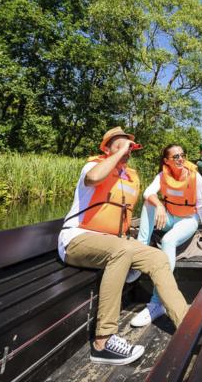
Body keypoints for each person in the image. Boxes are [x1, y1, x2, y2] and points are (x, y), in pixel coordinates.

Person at [58, 127, 189, 366]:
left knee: (157, 258)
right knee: (123, 250)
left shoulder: (129, 177)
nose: (127, 150)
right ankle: (103, 342)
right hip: (76, 239)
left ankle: (188, 324)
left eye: (129, 146)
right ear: (107, 149)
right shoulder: (93, 166)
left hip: (114, 243)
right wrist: (117, 154)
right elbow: (95, 178)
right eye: (119, 145)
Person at [131, 144, 202, 327]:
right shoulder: (162, 175)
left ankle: (157, 303)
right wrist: (160, 205)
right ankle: (139, 257)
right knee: (149, 203)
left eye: (183, 155)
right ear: (166, 161)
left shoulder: (195, 176)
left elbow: (201, 203)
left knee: (168, 240)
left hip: (188, 220)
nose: (181, 159)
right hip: (170, 217)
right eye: (176, 157)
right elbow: (148, 192)